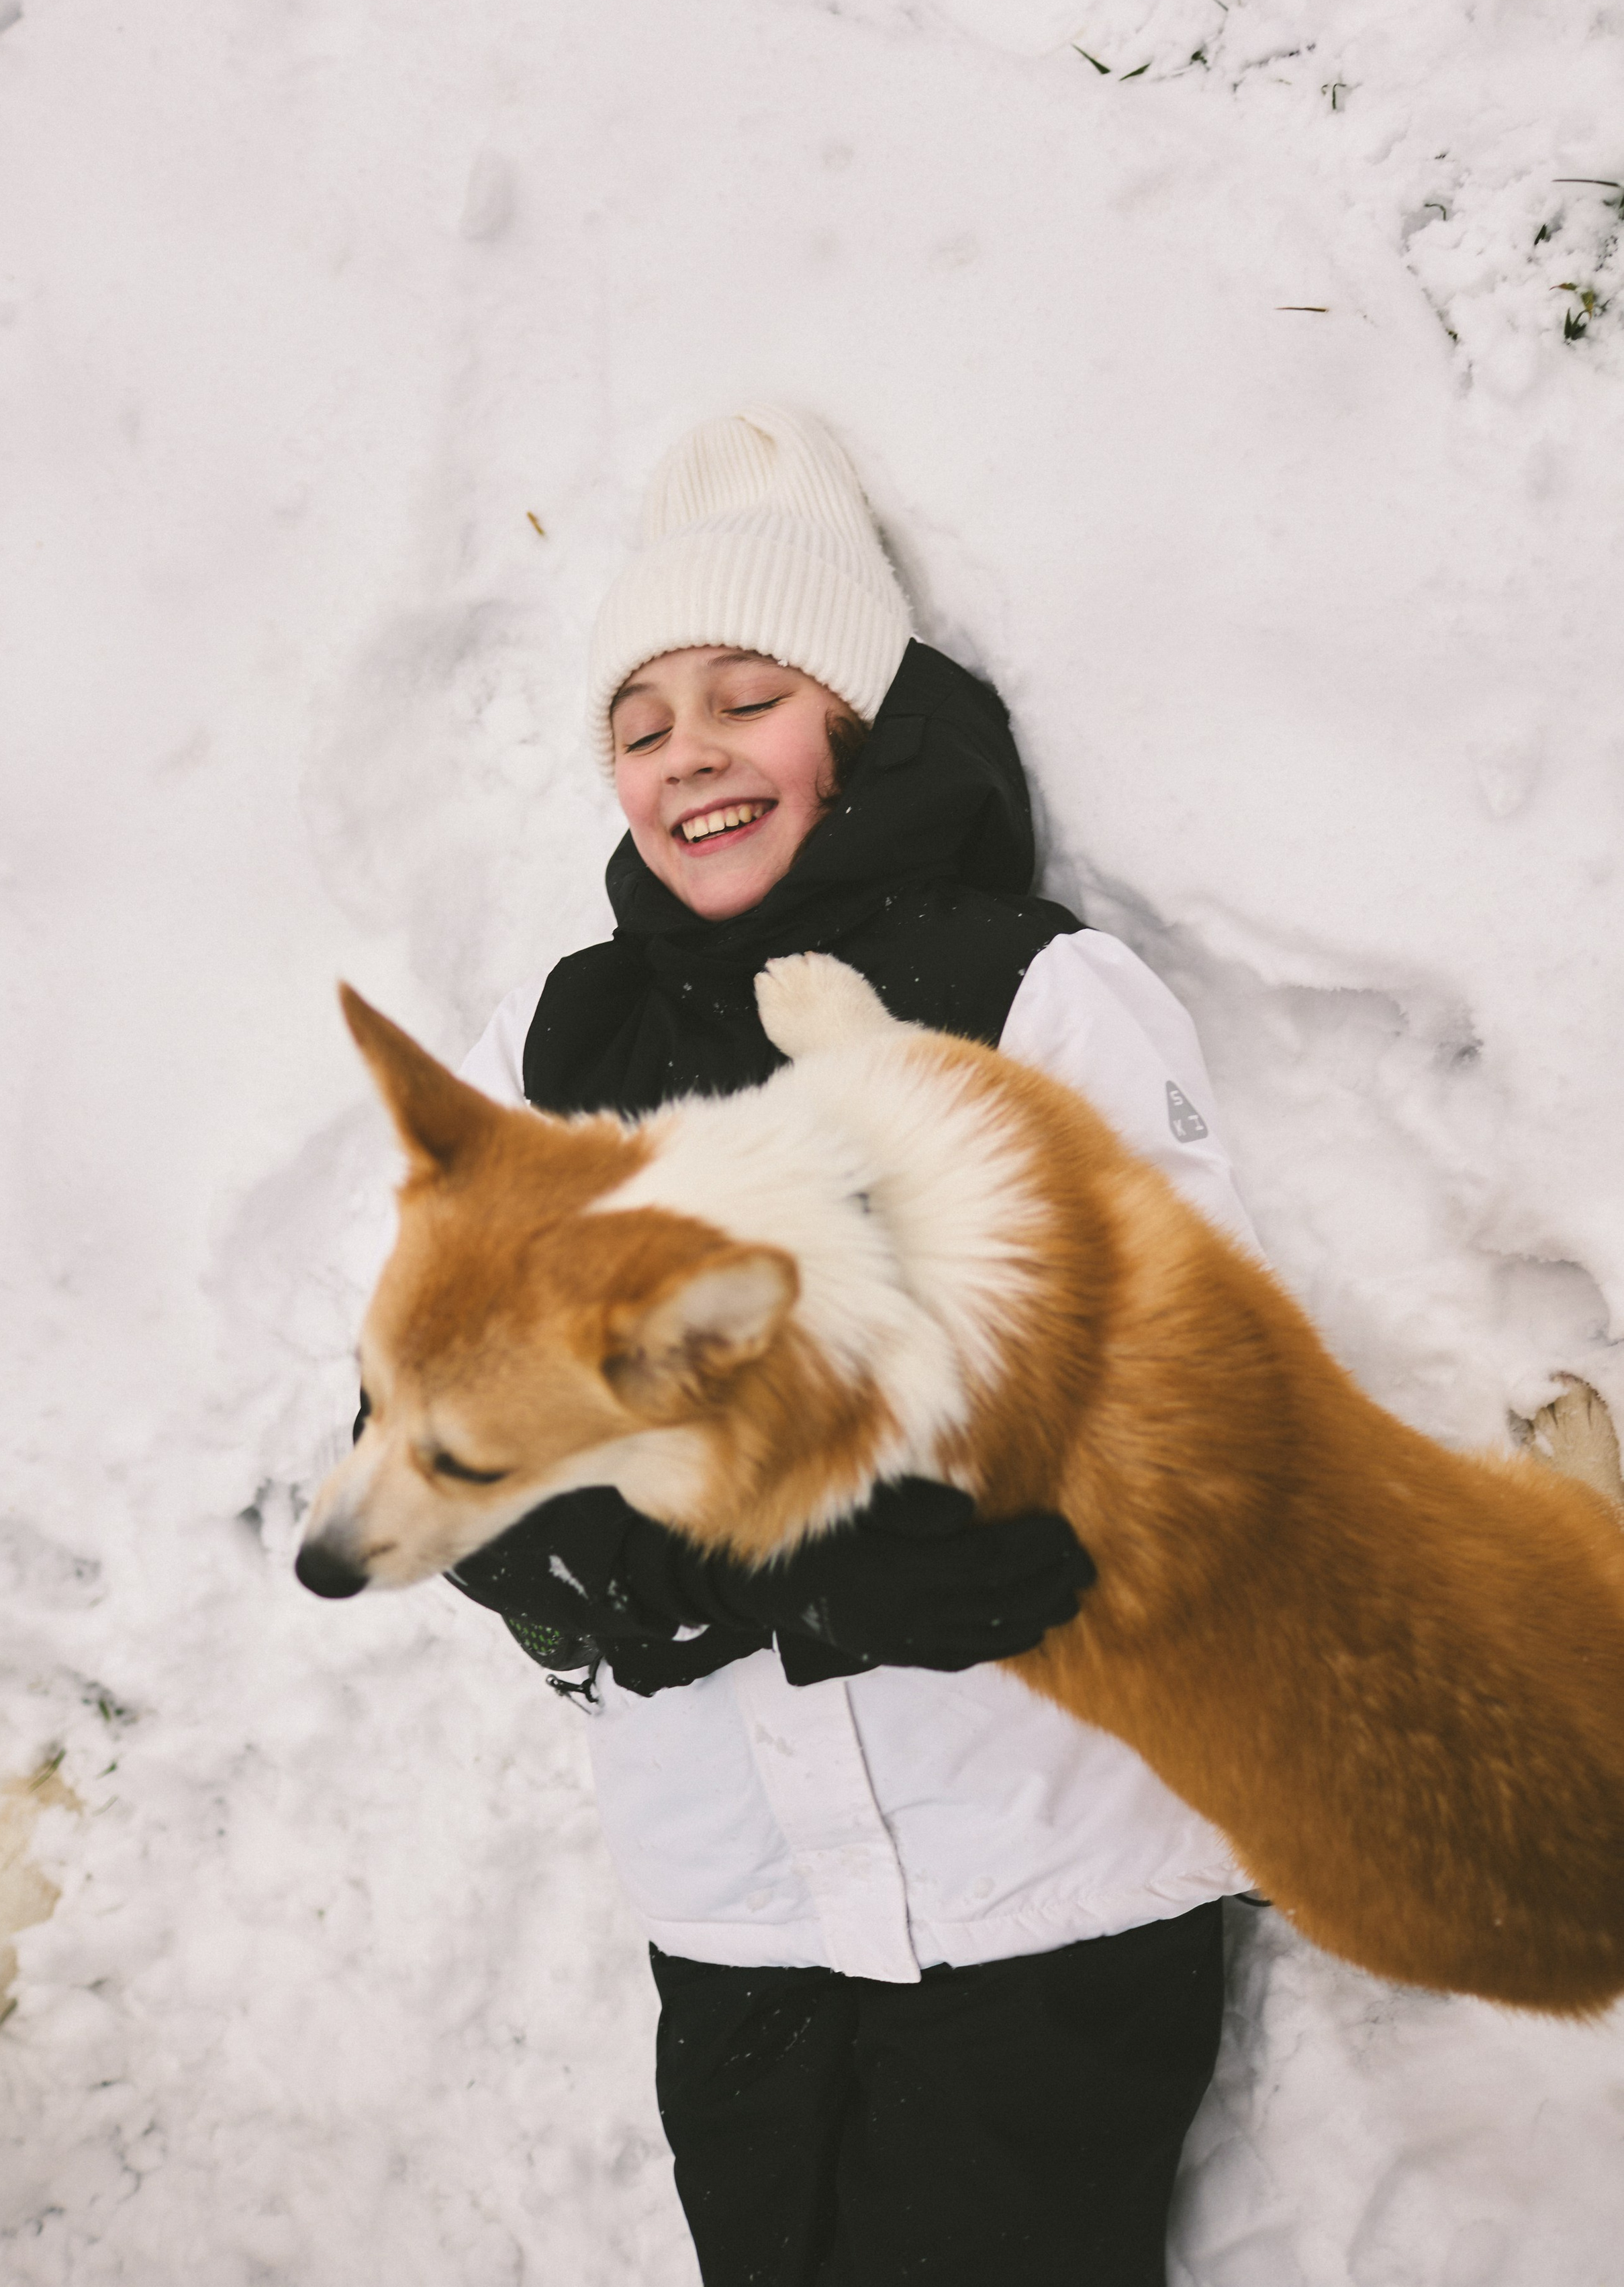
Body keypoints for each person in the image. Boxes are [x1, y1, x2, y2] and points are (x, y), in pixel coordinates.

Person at [430, 406, 1263, 2286]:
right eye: (639, 724)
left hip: (1044, 1887)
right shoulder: (551, 1048)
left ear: (859, 727)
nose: (688, 754)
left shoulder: (1022, 995)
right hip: (734, 1911)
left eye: (748, 696)